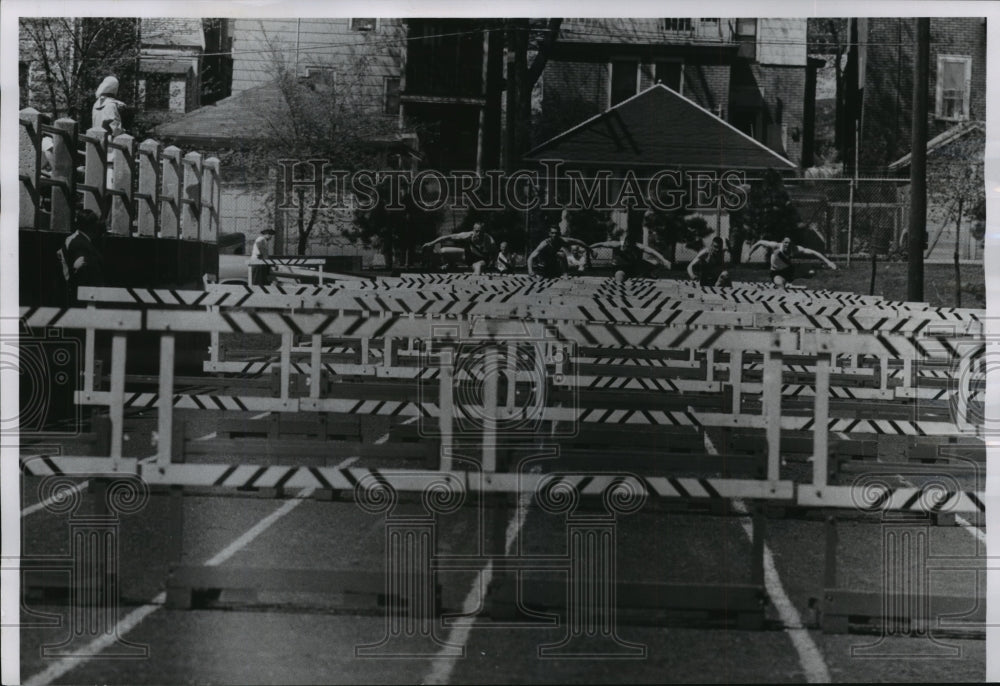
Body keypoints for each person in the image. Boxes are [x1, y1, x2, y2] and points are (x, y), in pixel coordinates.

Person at [749, 236, 837, 289]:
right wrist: (748, 254)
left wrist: (828, 262)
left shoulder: (795, 249)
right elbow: (760, 242)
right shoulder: (775, 246)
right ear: (782, 243)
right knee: (780, 285)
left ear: (792, 244)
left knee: (812, 272)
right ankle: (781, 285)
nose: (787, 245)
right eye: (785, 243)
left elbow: (814, 252)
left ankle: (793, 278)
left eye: (789, 243)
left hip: (789, 270)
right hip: (776, 272)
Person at [57, 209, 105, 303]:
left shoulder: (76, 238)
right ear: (91, 226)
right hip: (84, 297)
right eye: (97, 224)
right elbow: (80, 267)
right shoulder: (80, 244)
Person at [590, 229, 672, 281]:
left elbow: (652, 251)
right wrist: (589, 249)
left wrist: (664, 260)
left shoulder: (637, 245)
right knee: (619, 279)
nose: (628, 248)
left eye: (631, 247)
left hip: (633, 267)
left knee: (656, 262)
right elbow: (601, 243)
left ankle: (647, 273)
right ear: (625, 244)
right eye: (627, 246)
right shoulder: (616, 244)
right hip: (620, 268)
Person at [422, 222, 497, 274]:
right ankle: (451, 264)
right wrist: (431, 243)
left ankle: (475, 284)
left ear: (484, 232)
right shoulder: (468, 235)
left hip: (481, 260)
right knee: (443, 251)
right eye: (477, 231)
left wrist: (492, 263)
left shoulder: (489, 241)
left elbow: (495, 253)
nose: (479, 234)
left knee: (478, 266)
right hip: (467, 256)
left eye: (481, 232)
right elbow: (447, 237)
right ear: (473, 230)